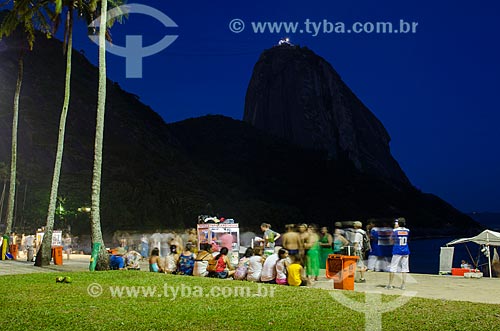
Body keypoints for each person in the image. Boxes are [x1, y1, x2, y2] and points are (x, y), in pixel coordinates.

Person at [386, 218, 410, 290]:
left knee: (393, 267)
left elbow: (391, 240)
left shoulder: (395, 231)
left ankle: (390, 284)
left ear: (398, 223)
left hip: (397, 250)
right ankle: (403, 285)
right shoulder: (407, 230)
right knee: (405, 268)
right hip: (405, 250)